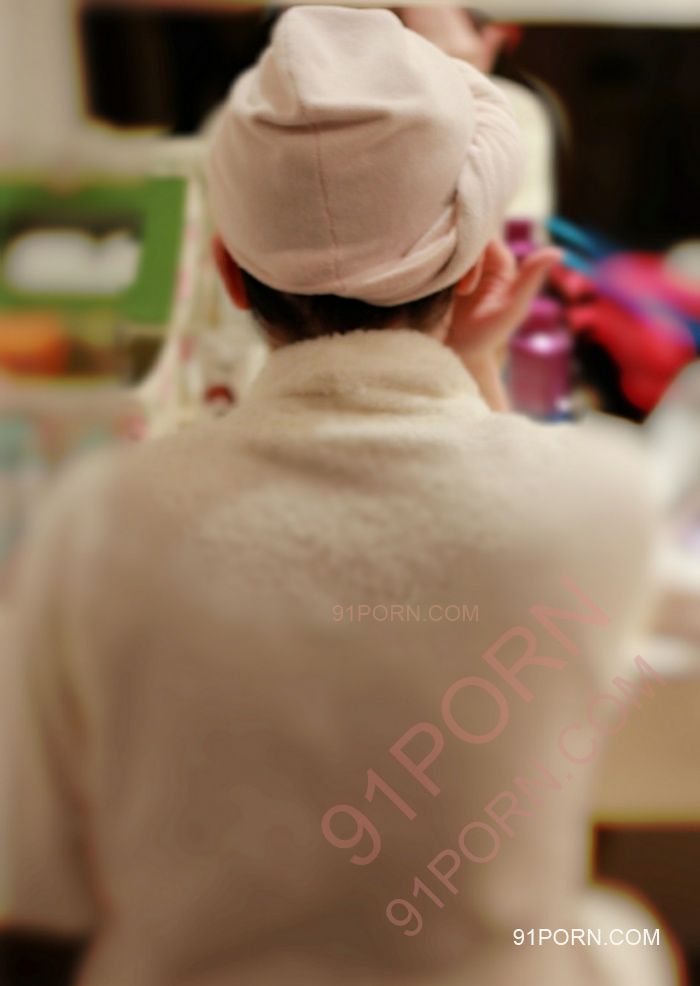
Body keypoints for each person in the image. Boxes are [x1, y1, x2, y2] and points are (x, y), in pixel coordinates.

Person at [0, 7, 679, 986]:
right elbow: (515, 511)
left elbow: (40, 903)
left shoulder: (97, 521)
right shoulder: (605, 498)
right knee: (617, 935)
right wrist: (477, 369)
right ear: (477, 261)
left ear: (230, 273)